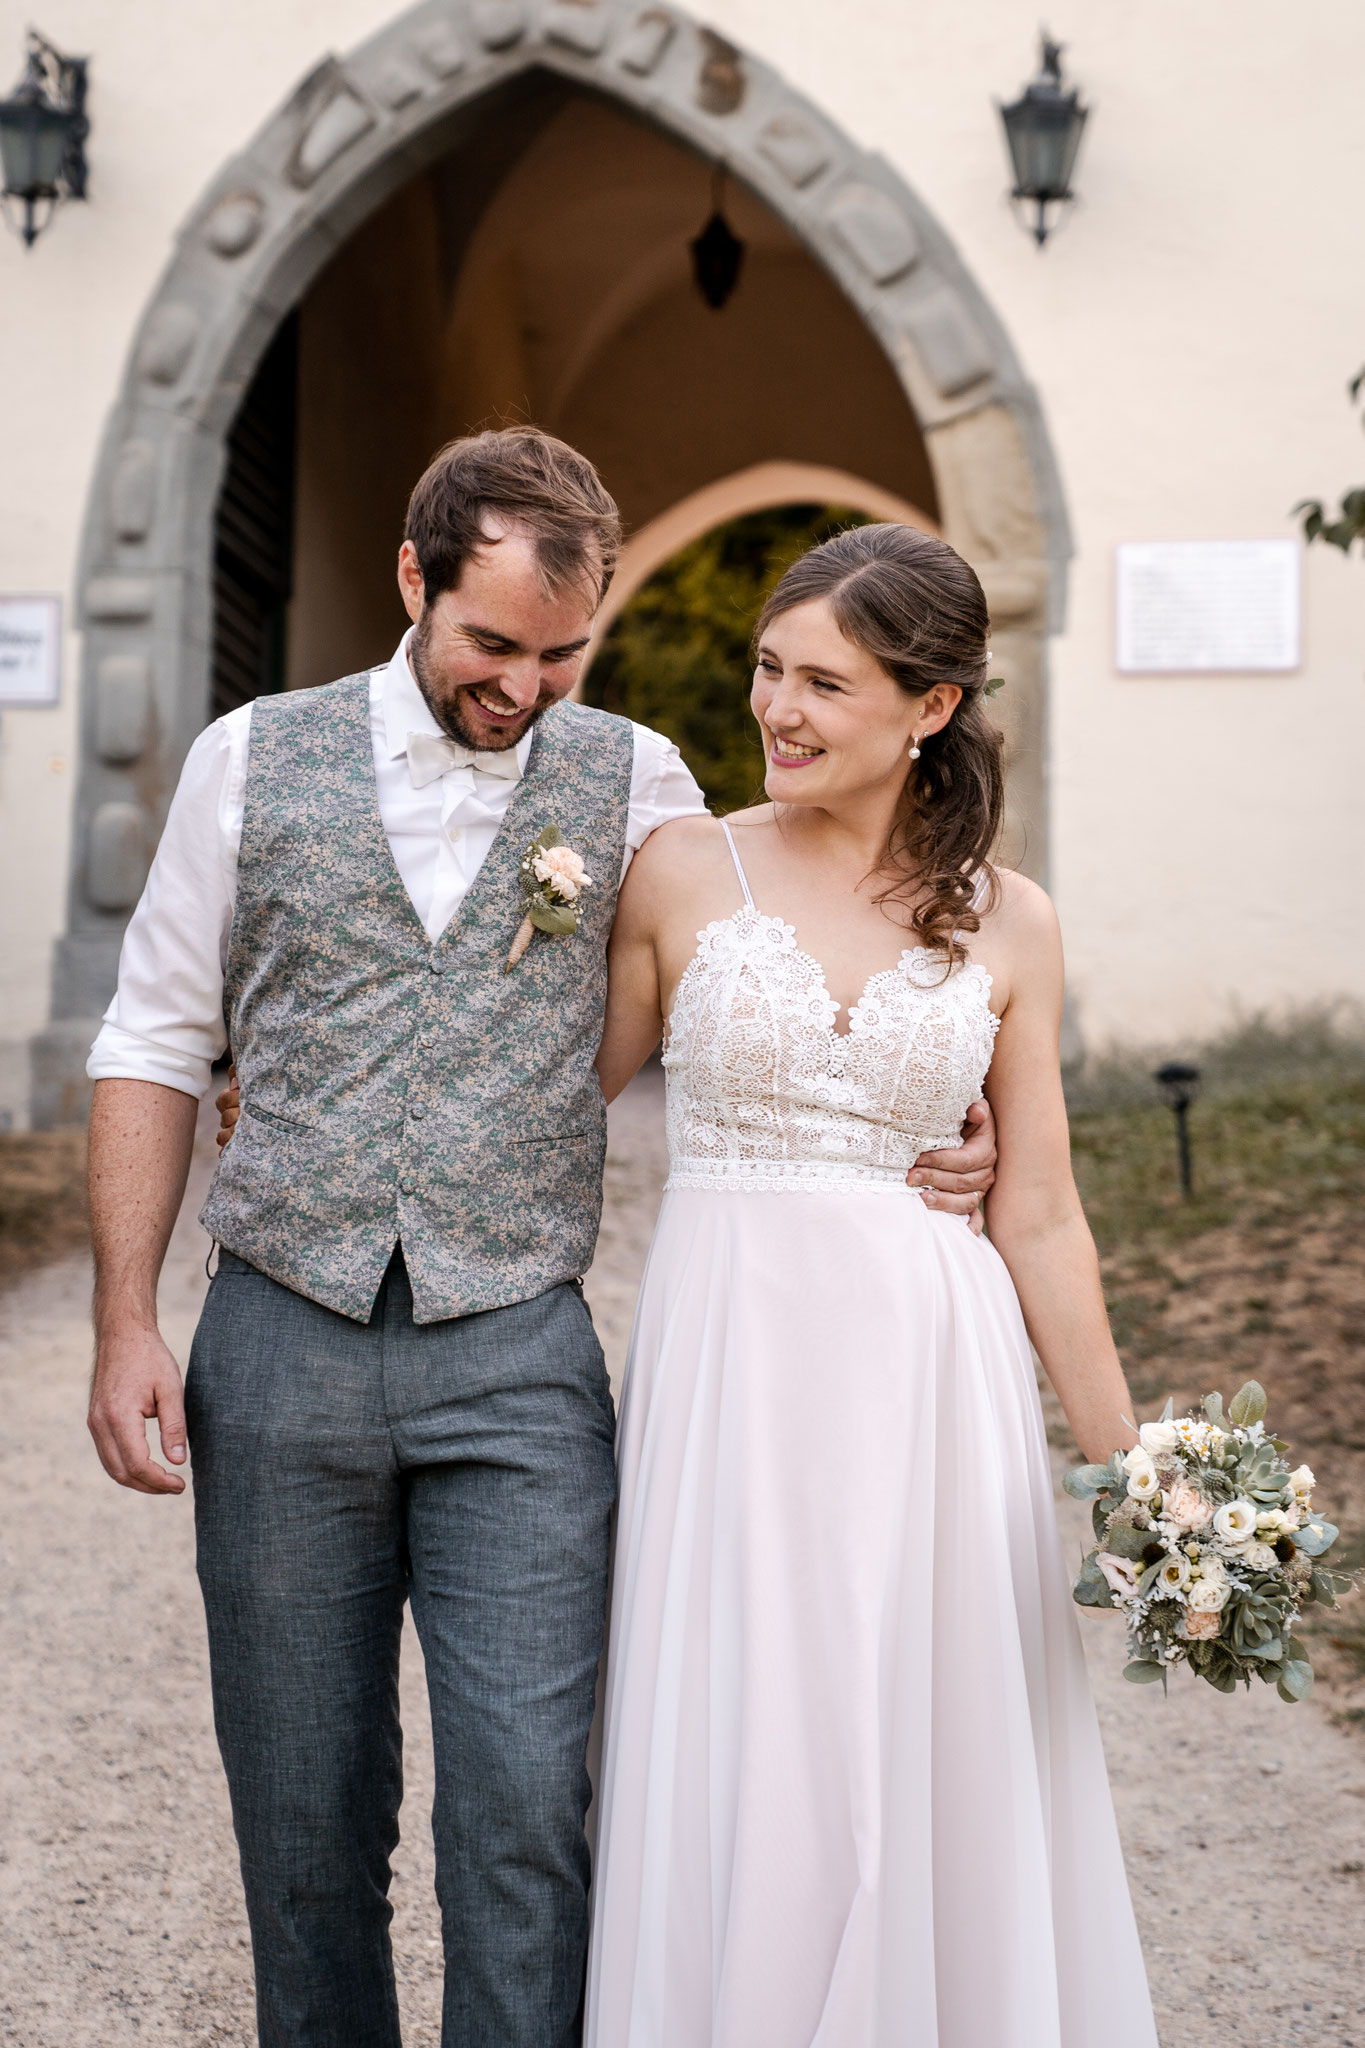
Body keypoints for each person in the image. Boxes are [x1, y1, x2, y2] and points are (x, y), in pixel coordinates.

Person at [84, 430, 997, 2048]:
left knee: (528, 1817)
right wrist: (125, 1324)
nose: (522, 687)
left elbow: (778, 957)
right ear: (412, 581)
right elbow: (156, 1041)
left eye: (561, 654)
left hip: (517, 1358)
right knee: (302, 1824)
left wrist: (931, 1110)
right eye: (491, 646)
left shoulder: (640, 782)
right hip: (278, 1343)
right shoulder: (248, 757)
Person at [579, 523, 1158, 2046]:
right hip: (736, 1367)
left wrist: (1138, 1475)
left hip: (927, 1379)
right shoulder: (679, 870)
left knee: (921, 1744)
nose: (778, 707)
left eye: (825, 683)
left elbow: (1038, 1214)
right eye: (770, 669)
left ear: (929, 709)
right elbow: (543, 1108)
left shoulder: (1010, 918)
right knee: (756, 1733)